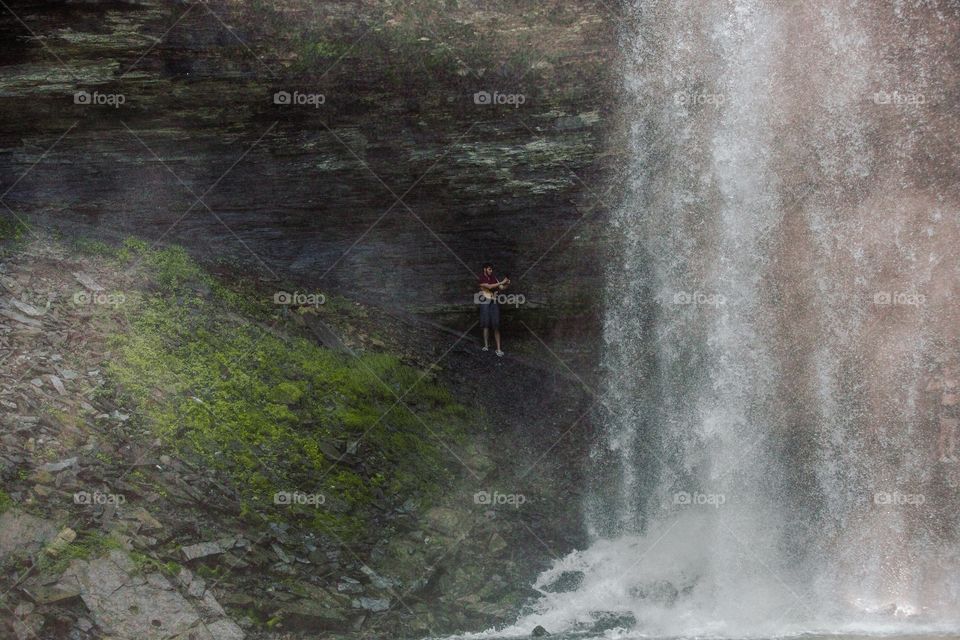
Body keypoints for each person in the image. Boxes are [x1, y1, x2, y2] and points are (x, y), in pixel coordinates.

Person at [477, 263, 510, 357]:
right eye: (489, 269)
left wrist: (506, 284)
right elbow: (489, 287)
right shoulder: (481, 278)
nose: (491, 271)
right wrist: (502, 282)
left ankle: (498, 349)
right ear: (485, 269)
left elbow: (502, 288)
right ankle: (486, 345)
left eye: (491, 269)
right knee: (486, 324)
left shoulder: (494, 278)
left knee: (496, 325)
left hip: (494, 302)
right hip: (485, 302)